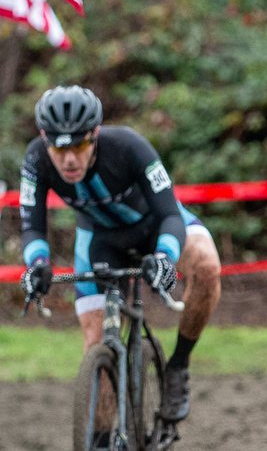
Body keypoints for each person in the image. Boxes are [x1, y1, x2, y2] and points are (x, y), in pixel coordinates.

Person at [19, 86, 221, 425]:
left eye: (79, 145)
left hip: (157, 226)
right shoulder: (36, 158)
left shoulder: (129, 145)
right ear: (44, 138)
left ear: (94, 135)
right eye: (58, 146)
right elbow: (33, 225)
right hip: (101, 241)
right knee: (96, 347)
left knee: (207, 266)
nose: (69, 159)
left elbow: (171, 213)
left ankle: (178, 367)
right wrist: (37, 265)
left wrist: (166, 256)